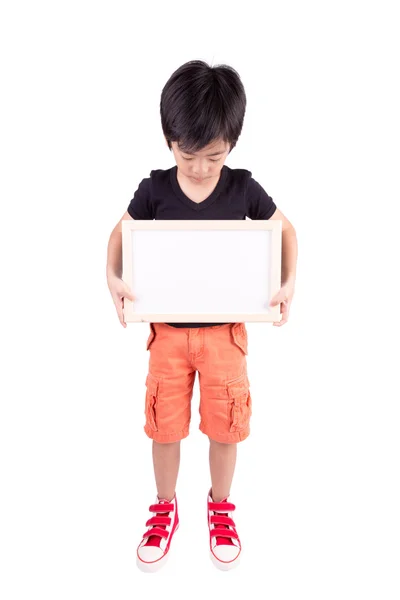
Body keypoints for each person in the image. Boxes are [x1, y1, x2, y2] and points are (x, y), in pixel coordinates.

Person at [106, 60, 297, 572]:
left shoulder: (243, 189)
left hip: (226, 337)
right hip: (167, 336)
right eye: (188, 156)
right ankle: (164, 507)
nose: (199, 168)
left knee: (225, 428)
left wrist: (287, 282)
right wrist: (112, 275)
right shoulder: (154, 190)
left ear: (232, 143)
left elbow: (286, 232)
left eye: (213, 157)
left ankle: (220, 506)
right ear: (169, 141)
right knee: (164, 427)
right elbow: (119, 235)